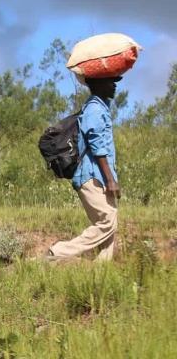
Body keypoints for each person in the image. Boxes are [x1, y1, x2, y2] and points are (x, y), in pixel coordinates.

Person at [48, 76, 121, 262]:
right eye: (110, 81)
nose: (114, 85)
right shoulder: (94, 109)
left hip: (99, 176)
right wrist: (110, 179)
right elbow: (97, 147)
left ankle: (102, 274)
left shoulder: (100, 107)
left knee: (108, 226)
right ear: (98, 84)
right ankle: (59, 251)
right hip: (92, 176)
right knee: (107, 221)